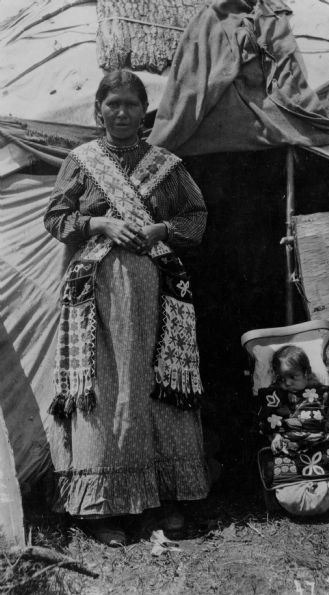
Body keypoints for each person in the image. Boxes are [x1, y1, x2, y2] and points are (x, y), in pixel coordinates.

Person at [44, 69, 210, 546]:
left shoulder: (166, 165)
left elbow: (195, 218)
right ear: (99, 110)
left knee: (156, 382)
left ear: (144, 112)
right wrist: (99, 223)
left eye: (130, 105)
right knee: (108, 387)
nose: (121, 113)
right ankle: (103, 508)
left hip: (155, 287)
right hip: (98, 290)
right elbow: (55, 217)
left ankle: (162, 500)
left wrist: (159, 231)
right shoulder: (81, 162)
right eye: (112, 104)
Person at [257, 345, 329, 515]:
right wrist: (275, 436)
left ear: (306, 372)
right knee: (289, 487)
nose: (287, 382)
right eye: (282, 378)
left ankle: (321, 490)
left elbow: (328, 421)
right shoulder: (275, 396)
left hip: (319, 449)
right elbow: (269, 420)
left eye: (292, 376)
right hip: (289, 451)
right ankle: (296, 493)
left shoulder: (320, 393)